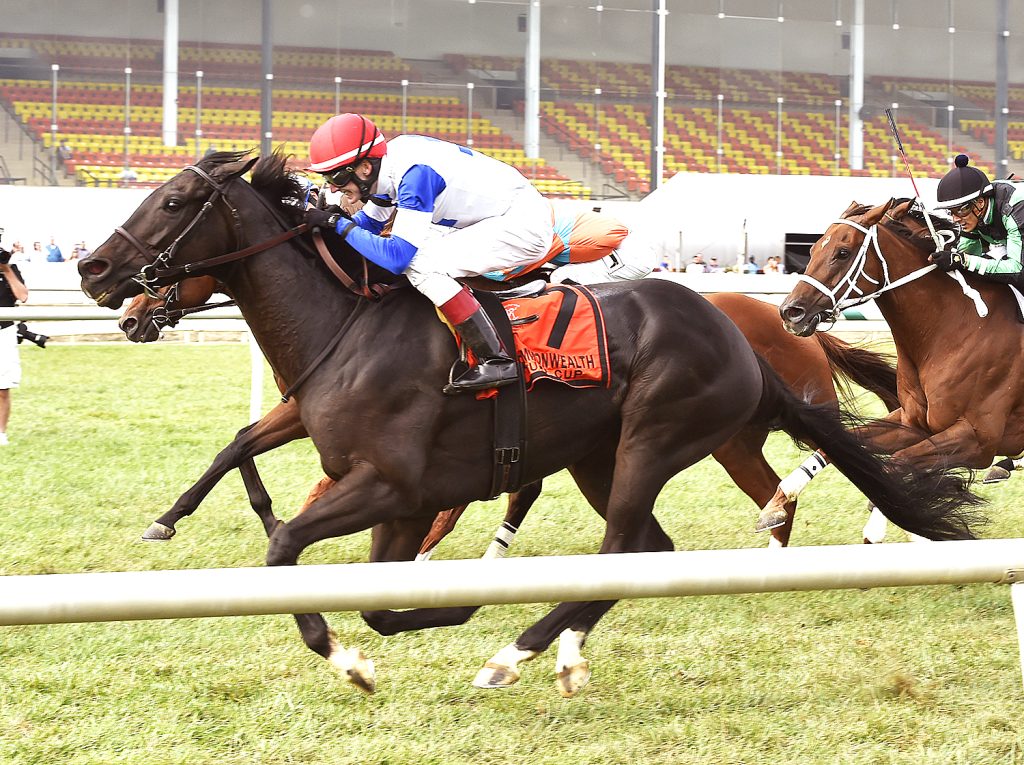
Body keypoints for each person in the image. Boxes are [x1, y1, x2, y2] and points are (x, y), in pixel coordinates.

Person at [303, 113, 552, 394]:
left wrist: (337, 224)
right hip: (493, 217)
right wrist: (325, 226)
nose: (334, 187)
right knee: (418, 257)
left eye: (337, 177)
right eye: (328, 178)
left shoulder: (414, 174)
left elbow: (398, 257)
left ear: (363, 168)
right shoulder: (387, 167)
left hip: (521, 223)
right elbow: (369, 224)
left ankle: (496, 359)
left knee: (420, 264)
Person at [930, 154, 1024, 284]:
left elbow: (1017, 270)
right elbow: (967, 252)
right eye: (950, 212)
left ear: (980, 202)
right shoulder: (975, 214)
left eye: (960, 210)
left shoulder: (1015, 209)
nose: (955, 219)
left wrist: (962, 260)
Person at [0, 240, 28, 446]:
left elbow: (23, 296)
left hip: (4, 331)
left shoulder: (11, 269)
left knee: (2, 388)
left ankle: (1, 433)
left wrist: (6, 270)